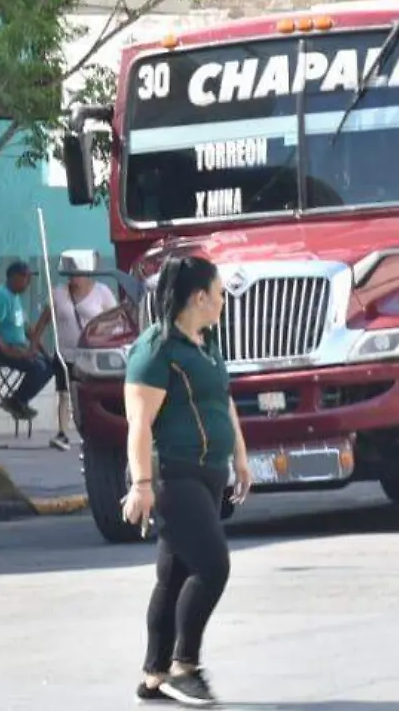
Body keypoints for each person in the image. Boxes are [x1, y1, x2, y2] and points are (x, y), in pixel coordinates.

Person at [120, 256, 251, 707]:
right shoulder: (157, 350)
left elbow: (222, 401)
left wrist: (240, 454)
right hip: (172, 475)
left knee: (173, 576)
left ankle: (154, 676)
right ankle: (184, 666)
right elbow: (139, 423)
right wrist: (141, 485)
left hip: (209, 472)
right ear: (199, 297)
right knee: (212, 566)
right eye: (219, 294)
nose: (222, 302)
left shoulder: (206, 342)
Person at [39, 262, 118, 451]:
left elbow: (115, 318)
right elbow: (43, 321)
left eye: (78, 274)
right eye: (71, 274)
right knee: (64, 393)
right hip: (65, 352)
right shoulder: (59, 293)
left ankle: (91, 431)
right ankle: (63, 433)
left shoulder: (102, 292)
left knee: (88, 393)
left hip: (92, 354)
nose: (74, 278)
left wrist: (104, 333)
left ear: (87, 274)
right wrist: (34, 344)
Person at [0, 261, 60, 424]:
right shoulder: (1, 296)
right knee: (37, 367)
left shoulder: (14, 298)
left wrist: (43, 352)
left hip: (18, 347)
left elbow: (28, 330)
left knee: (50, 366)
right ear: (13, 277)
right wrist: (6, 349)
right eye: (25, 278)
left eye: (29, 278)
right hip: (0, 350)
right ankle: (17, 402)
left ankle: (18, 400)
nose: (28, 283)